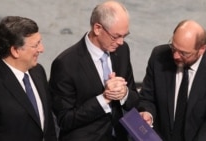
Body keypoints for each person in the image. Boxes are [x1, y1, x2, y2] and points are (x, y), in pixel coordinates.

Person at [49, 1, 139, 141]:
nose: (121, 42)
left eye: (124, 35)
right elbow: (64, 120)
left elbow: (134, 97)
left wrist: (124, 93)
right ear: (97, 28)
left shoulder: (122, 51)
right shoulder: (65, 64)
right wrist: (104, 99)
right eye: (116, 36)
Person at [138, 20, 206, 141]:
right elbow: (147, 98)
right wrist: (147, 113)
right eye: (173, 47)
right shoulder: (158, 56)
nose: (175, 56)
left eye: (183, 53)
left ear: (201, 49)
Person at [0, 16, 57, 141]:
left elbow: (48, 125)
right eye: (35, 45)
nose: (41, 49)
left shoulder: (38, 72)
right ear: (15, 50)